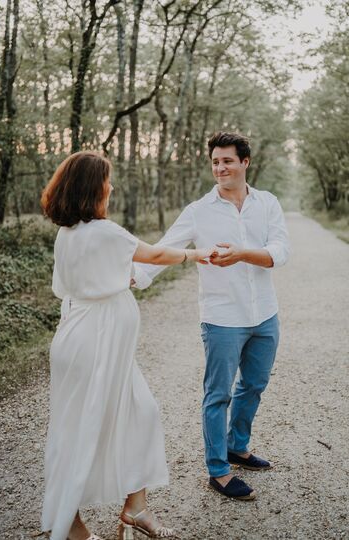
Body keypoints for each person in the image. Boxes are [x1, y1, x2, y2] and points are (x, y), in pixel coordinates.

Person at [40, 151, 216, 540]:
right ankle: (71, 523)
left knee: (139, 413)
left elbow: (94, 277)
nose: (111, 186)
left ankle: (133, 509)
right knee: (84, 428)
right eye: (107, 179)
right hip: (95, 343)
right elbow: (152, 253)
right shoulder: (104, 231)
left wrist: (123, 279)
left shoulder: (68, 233)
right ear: (92, 188)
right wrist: (196, 253)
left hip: (85, 338)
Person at [133, 132, 290, 501]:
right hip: (221, 317)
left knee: (253, 386)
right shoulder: (198, 210)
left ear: (245, 162)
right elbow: (165, 249)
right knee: (217, 394)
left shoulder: (267, 203)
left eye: (227, 161)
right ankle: (218, 470)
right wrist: (135, 277)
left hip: (265, 313)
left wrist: (242, 254)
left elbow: (280, 251)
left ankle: (238, 446)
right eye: (215, 162)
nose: (220, 168)